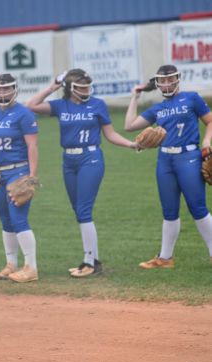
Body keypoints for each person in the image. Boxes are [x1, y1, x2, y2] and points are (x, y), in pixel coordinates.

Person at [26, 69, 138, 277]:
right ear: (70, 88)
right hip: (69, 161)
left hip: (91, 158)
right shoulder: (61, 105)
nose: (86, 90)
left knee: (84, 210)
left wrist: (131, 144)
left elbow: (110, 134)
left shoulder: (97, 104)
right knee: (78, 211)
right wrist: (52, 87)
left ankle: (90, 263)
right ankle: (92, 260)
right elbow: (31, 105)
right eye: (81, 87)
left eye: (87, 87)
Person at [124, 64, 212, 269]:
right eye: (162, 80)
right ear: (157, 83)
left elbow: (210, 121)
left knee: (198, 208)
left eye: (170, 79)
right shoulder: (158, 108)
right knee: (169, 210)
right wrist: (134, 97)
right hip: (165, 161)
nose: (167, 83)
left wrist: (207, 140)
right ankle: (165, 258)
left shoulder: (192, 98)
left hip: (188, 156)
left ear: (177, 79)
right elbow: (129, 126)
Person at [0, 74, 39, 283]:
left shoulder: (24, 114)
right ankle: (11, 264)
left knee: (18, 218)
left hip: (17, 171)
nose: (2, 92)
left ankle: (31, 267)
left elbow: (32, 146)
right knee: (5, 219)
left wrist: (31, 176)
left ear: (15, 89)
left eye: (7, 88)